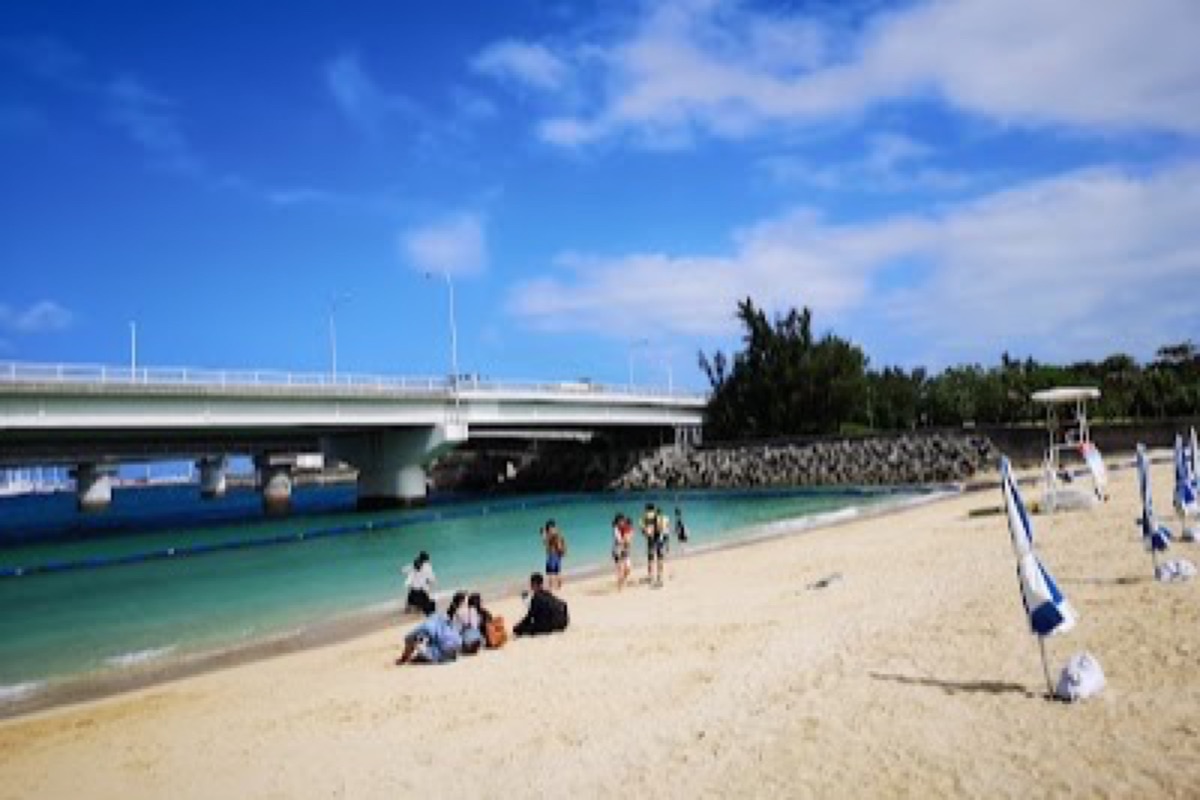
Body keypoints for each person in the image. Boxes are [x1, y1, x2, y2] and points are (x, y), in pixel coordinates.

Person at [395, 596, 462, 665]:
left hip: (444, 654)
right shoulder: (445, 616)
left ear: (424, 610)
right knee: (432, 639)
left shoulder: (426, 624)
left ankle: (404, 659)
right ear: (435, 608)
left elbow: (408, 638)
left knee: (412, 639)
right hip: (456, 650)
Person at [513, 572, 569, 637]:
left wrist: (518, 626)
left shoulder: (536, 597)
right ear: (541, 583)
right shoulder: (547, 593)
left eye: (531, 584)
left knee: (518, 629)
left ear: (534, 584)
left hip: (552, 625)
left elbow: (529, 617)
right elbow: (564, 604)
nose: (531, 586)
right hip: (564, 622)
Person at [447, 590, 483, 655]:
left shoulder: (457, 612)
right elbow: (477, 625)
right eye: (467, 598)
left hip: (467, 645)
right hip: (477, 641)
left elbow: (456, 630)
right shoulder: (472, 609)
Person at [641, 503, 666, 588]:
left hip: (650, 539)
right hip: (659, 538)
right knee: (660, 558)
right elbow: (662, 527)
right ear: (654, 508)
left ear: (646, 509)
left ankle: (651, 577)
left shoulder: (644, 516)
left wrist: (647, 533)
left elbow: (642, 529)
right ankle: (660, 577)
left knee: (650, 559)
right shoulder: (659, 515)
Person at [542, 519, 568, 591]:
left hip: (552, 554)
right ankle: (559, 586)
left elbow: (545, 543)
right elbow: (563, 542)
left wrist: (543, 535)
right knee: (557, 571)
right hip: (558, 554)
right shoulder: (558, 533)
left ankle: (551, 587)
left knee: (550, 572)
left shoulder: (551, 534)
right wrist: (564, 552)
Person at [612, 513, 633, 591]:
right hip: (617, 550)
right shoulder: (616, 529)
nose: (622, 522)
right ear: (617, 522)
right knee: (620, 569)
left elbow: (629, 539)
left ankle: (622, 581)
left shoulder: (627, 528)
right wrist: (626, 539)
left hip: (625, 550)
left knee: (628, 569)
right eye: (620, 521)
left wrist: (628, 536)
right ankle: (619, 587)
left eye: (623, 520)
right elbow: (619, 540)